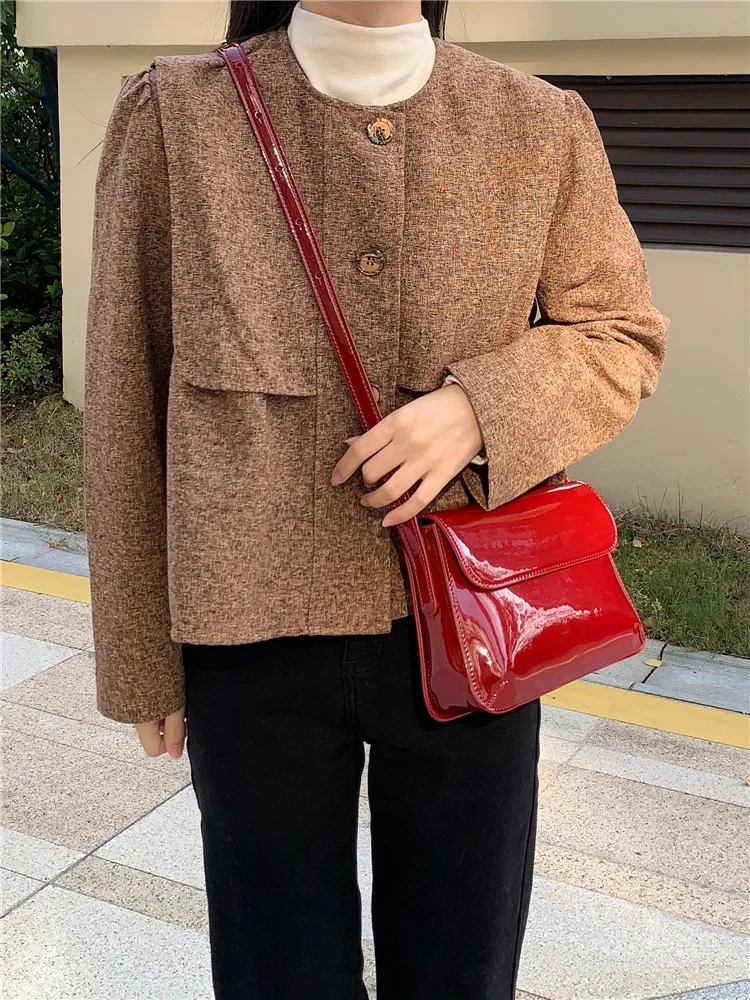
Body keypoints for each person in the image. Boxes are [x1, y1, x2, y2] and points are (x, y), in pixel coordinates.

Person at [83, 2, 669, 997]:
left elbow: (621, 334)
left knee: (461, 974)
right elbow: (124, 397)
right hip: (247, 643)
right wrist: (140, 657)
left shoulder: (538, 124)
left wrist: (477, 408)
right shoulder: (174, 116)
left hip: (472, 635)